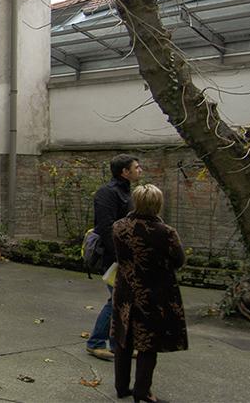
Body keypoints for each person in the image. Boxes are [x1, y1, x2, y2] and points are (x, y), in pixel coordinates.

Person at [111, 183, 188, 402]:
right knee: (148, 343)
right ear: (158, 204)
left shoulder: (119, 226)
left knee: (123, 338)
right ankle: (142, 391)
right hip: (154, 292)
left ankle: (121, 387)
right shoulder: (166, 232)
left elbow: (121, 256)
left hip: (125, 289)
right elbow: (179, 260)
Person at [86, 154, 142, 361]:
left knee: (121, 300)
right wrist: (122, 256)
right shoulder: (107, 193)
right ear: (124, 172)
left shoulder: (126, 192)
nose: (140, 170)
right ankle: (96, 343)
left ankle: (117, 344)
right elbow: (106, 228)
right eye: (136, 167)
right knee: (118, 300)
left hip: (125, 255)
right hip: (113, 258)